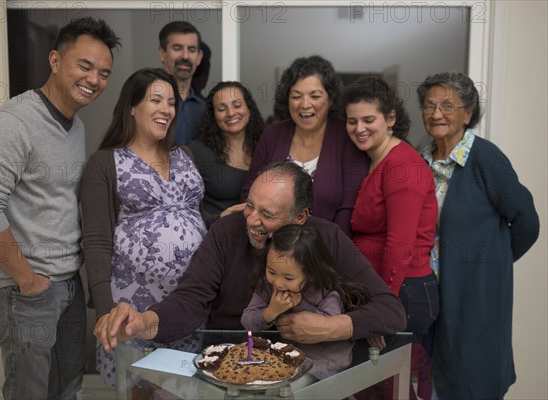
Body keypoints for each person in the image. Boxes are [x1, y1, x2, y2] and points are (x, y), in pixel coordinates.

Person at [0, 17, 120, 400]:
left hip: (67, 283)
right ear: (54, 60)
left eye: (103, 73)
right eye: (84, 66)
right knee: (29, 393)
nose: (94, 79)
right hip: (27, 290)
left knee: (67, 389)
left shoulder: (75, 125)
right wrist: (29, 282)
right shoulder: (15, 120)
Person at [94, 160, 407, 353]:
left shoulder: (326, 237)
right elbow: (189, 301)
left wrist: (331, 327)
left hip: (309, 368)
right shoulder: (227, 231)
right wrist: (145, 322)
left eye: (267, 214)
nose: (252, 220)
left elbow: (391, 312)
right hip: (231, 357)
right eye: (250, 205)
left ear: (300, 218)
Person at [80, 68, 207, 385]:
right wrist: (106, 312)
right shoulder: (105, 163)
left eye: (171, 102)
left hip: (187, 306)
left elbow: (189, 219)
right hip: (131, 308)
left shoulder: (184, 155)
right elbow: (96, 241)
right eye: (156, 100)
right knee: (140, 388)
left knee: (185, 387)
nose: (166, 109)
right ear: (132, 107)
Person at [417, 72, 539, 399]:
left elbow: (527, 220)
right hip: (430, 294)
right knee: (430, 382)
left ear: (468, 113)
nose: (436, 113)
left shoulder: (485, 157)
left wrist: (489, 263)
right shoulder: (420, 158)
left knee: (473, 377)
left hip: (473, 293)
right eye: (429, 106)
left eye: (447, 105)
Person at [345, 76, 439, 400]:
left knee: (393, 389)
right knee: (377, 386)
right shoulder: (376, 161)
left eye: (369, 120)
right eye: (352, 120)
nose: (359, 128)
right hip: (385, 292)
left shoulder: (403, 166)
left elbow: (399, 246)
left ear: (391, 118)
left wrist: (381, 312)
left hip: (403, 292)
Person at [241, 55, 368, 237]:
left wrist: (329, 250)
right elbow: (248, 192)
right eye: (296, 96)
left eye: (315, 96)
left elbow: (349, 207)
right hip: (269, 246)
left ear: (331, 99)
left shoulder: (347, 136)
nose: (305, 104)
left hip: (326, 247)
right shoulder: (272, 134)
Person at [241, 224, 370, 332]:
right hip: (287, 354)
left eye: (289, 278)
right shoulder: (267, 286)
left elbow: (330, 328)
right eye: (271, 272)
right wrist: (271, 312)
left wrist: (300, 305)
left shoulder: (325, 290)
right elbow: (247, 322)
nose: (278, 283)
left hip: (327, 357)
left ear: (311, 274)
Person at [184, 81, 264, 227]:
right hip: (217, 232)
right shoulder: (197, 152)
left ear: (249, 108)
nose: (231, 113)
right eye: (222, 109)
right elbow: (184, 207)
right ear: (213, 115)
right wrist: (217, 218)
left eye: (237, 105)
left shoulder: (266, 147)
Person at [158, 21, 205, 145]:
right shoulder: (145, 103)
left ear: (199, 57)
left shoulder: (205, 109)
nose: (185, 56)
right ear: (162, 53)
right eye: (177, 48)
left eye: (191, 49)